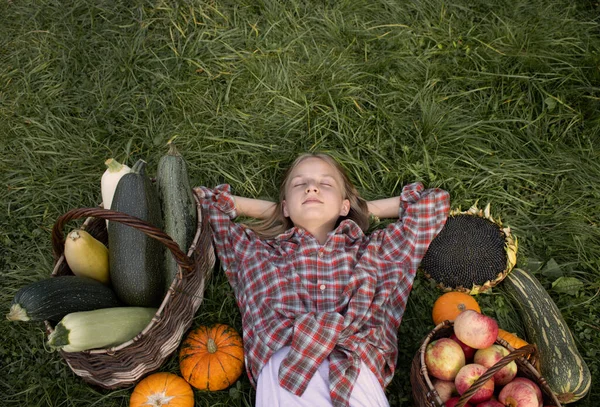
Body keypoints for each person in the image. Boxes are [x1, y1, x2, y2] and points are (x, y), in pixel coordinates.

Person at [194, 153, 450, 407]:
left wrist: (356, 209)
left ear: (344, 205)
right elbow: (205, 203)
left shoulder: (377, 252)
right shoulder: (256, 254)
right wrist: (280, 213)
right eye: (299, 185)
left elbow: (432, 203)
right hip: (286, 372)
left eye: (325, 184)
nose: (312, 187)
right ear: (284, 204)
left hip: (354, 371)